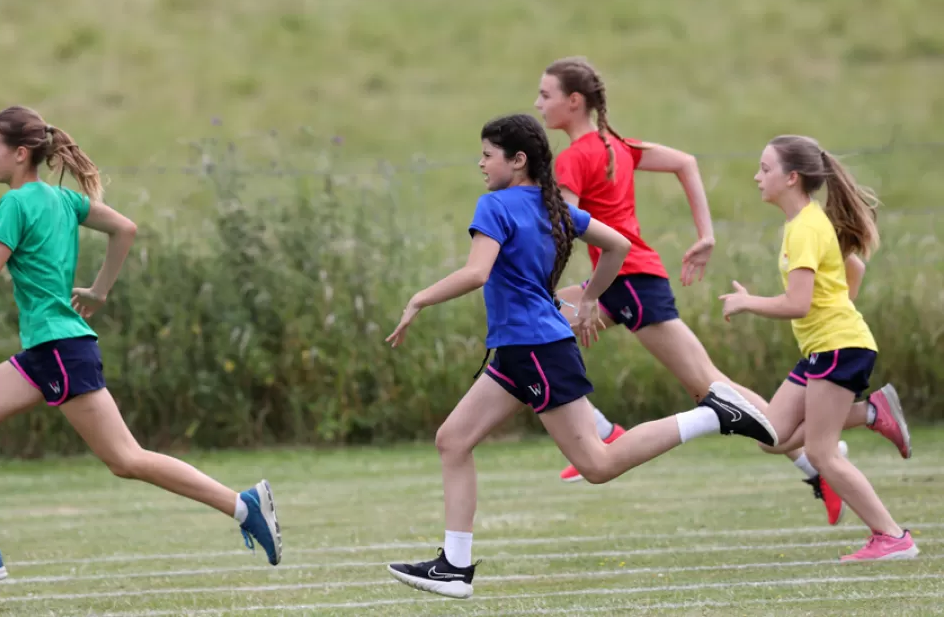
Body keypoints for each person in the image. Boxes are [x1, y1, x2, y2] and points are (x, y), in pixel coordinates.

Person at [384, 114, 777, 599]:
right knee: (453, 440)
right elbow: (618, 245)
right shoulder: (553, 207)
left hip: (536, 349)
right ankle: (454, 567)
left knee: (597, 464)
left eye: (487, 155)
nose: (481, 163)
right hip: (520, 349)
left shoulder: (495, 205)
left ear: (518, 160)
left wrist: (420, 298)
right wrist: (589, 297)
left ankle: (713, 415)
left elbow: (477, 273)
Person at [0, 106, 281, 582]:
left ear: (20, 154)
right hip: (50, 351)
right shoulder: (64, 200)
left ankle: (243, 505)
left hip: (59, 351)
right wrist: (99, 291)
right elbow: (125, 228)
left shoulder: (16, 204)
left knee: (126, 459)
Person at [535, 56, 909, 526]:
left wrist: (556, 277)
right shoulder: (617, 145)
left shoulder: (576, 157)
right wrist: (705, 233)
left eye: (545, 95)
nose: (538, 104)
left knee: (709, 387)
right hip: (621, 279)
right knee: (534, 329)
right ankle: (601, 429)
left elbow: (566, 230)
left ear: (574, 101)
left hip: (629, 282)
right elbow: (686, 163)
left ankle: (824, 455)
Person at [720, 134, 917, 562]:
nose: (757, 177)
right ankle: (871, 413)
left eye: (765, 169)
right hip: (827, 348)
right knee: (771, 435)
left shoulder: (806, 228)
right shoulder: (803, 223)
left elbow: (798, 303)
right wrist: (838, 306)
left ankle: (892, 537)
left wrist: (748, 302)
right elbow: (853, 266)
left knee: (820, 452)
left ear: (792, 178)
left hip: (839, 348)